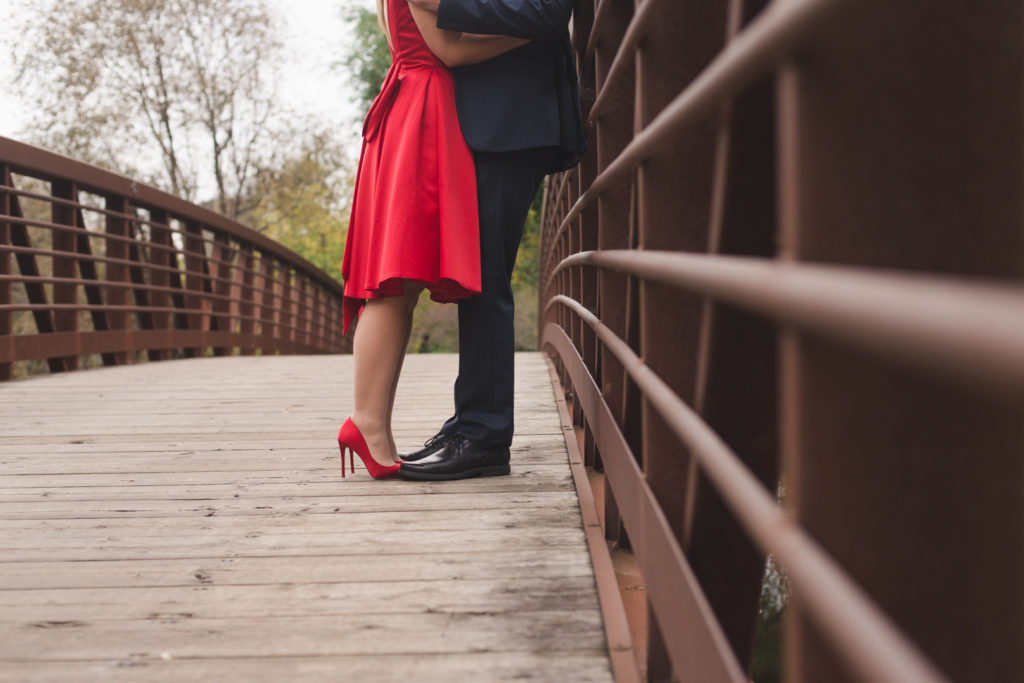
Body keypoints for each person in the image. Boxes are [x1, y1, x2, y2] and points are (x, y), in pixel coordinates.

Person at [338, 0, 529, 479]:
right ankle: (366, 421)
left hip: (413, 104)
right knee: (395, 281)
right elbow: (449, 49)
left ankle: (373, 425)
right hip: (423, 109)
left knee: (398, 282)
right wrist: (534, 33)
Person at [398, 0, 586, 480]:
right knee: (480, 271)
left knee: (486, 274)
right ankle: (471, 422)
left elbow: (547, 11)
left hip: (512, 118)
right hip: (484, 118)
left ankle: (484, 436)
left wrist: (445, 5)